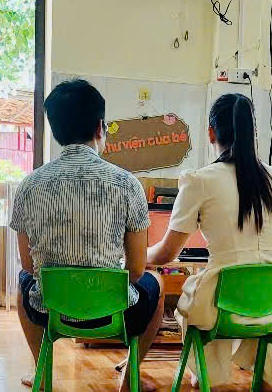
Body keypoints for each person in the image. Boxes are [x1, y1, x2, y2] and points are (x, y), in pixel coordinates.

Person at [10, 79, 164, 392]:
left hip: (50, 309)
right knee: (156, 283)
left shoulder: (29, 185)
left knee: (22, 281)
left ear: (56, 131)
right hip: (115, 311)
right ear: (99, 128)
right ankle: (130, 377)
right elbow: (136, 269)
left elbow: (28, 264)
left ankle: (42, 373)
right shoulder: (127, 184)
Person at [147, 93, 272, 391]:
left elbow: (166, 253)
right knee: (233, 302)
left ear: (211, 133)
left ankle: (209, 375)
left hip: (221, 301)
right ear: (254, 133)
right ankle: (264, 375)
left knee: (197, 304)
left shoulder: (199, 180)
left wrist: (137, 255)